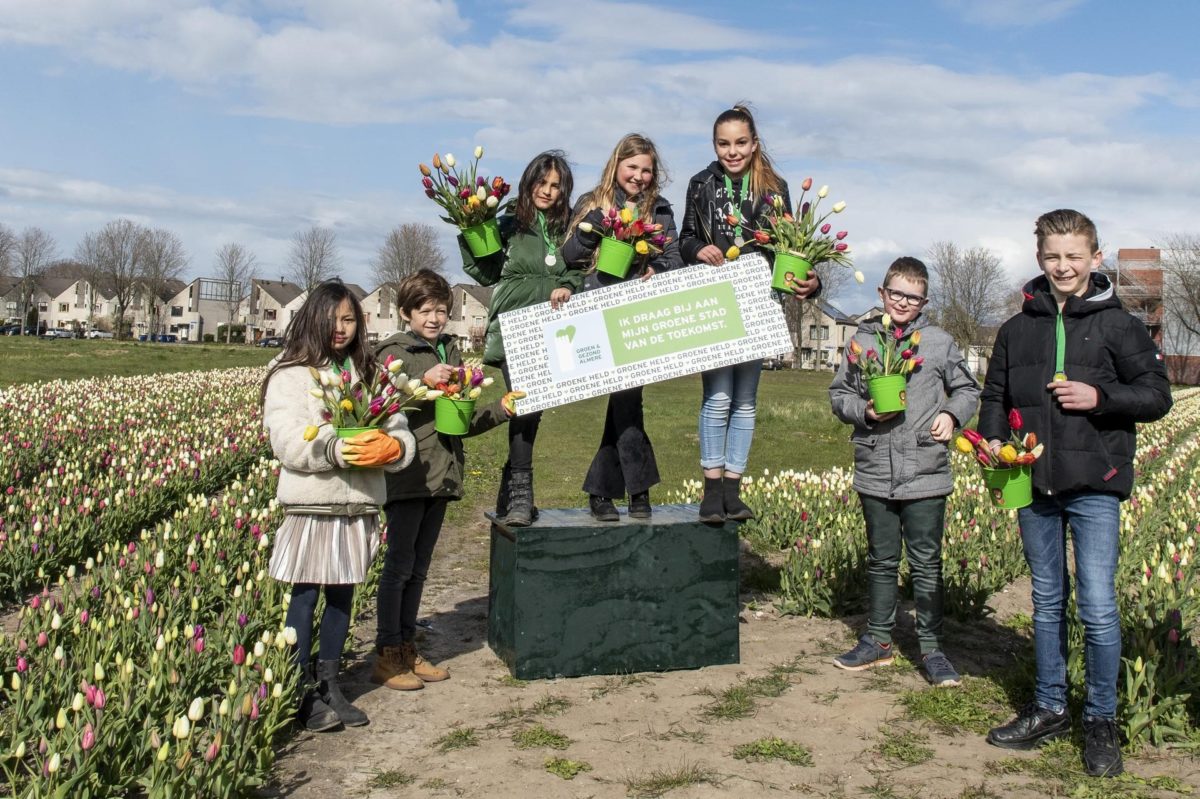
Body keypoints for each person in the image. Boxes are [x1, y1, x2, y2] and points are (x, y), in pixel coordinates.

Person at [982, 210, 1172, 777]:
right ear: (1039, 257)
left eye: (1074, 256)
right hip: (1031, 481)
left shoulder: (1120, 326)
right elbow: (994, 394)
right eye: (1052, 256)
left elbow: (1156, 396)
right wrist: (992, 439)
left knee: (1096, 605)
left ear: (1095, 257)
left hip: (1096, 484)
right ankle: (1048, 707)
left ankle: (1101, 720)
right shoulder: (1018, 328)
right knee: (1045, 600)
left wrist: (1101, 397)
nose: (1063, 266)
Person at [262, 279, 416, 731]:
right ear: (313, 319)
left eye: (349, 319)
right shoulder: (290, 373)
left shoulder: (370, 373)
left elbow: (399, 426)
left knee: (343, 597)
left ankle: (330, 684)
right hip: (313, 505)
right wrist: (333, 451)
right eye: (332, 319)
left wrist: (393, 448)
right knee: (305, 597)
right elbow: (285, 438)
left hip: (359, 506)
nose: (340, 327)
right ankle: (297, 688)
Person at [828, 257, 980, 687]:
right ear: (881, 293)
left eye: (912, 297)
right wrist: (864, 411)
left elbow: (968, 388)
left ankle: (932, 649)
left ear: (924, 301)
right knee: (881, 559)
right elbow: (839, 395)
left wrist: (952, 415)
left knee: (927, 562)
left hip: (926, 467)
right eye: (895, 293)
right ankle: (878, 641)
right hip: (874, 464)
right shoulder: (862, 340)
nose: (902, 302)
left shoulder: (938, 342)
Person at [372, 270, 524, 691]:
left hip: (442, 472)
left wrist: (501, 410)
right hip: (408, 472)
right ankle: (387, 653)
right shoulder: (393, 352)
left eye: (441, 310)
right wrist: (424, 381)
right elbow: (377, 403)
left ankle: (407, 648)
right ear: (406, 313)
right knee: (398, 568)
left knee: (419, 569)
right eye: (425, 310)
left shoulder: (451, 352)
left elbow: (460, 420)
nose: (435, 318)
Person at [679, 105, 822, 522]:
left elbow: (792, 246)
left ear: (754, 143)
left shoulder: (775, 187)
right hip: (716, 298)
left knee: (745, 400)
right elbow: (686, 237)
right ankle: (710, 488)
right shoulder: (701, 183)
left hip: (759, 301)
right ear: (714, 145)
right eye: (724, 143)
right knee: (718, 396)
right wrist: (696, 250)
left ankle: (733, 489)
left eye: (741, 142)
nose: (733, 151)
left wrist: (811, 281)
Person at [561, 132, 684, 521]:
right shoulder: (591, 203)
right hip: (596, 311)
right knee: (627, 402)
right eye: (633, 167)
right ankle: (636, 491)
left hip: (638, 315)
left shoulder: (660, 209)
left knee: (627, 398)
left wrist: (656, 267)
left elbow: (675, 258)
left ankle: (609, 493)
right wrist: (591, 228)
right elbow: (568, 256)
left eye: (647, 170)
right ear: (617, 165)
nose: (639, 176)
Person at [461, 150, 581, 527]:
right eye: (541, 182)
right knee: (525, 402)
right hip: (517, 324)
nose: (547, 191)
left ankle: (510, 484)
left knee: (535, 407)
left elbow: (580, 270)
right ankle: (520, 494)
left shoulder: (569, 228)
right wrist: (470, 230)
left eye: (555, 186)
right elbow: (485, 271)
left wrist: (567, 285)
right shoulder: (509, 222)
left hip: (554, 326)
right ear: (529, 182)